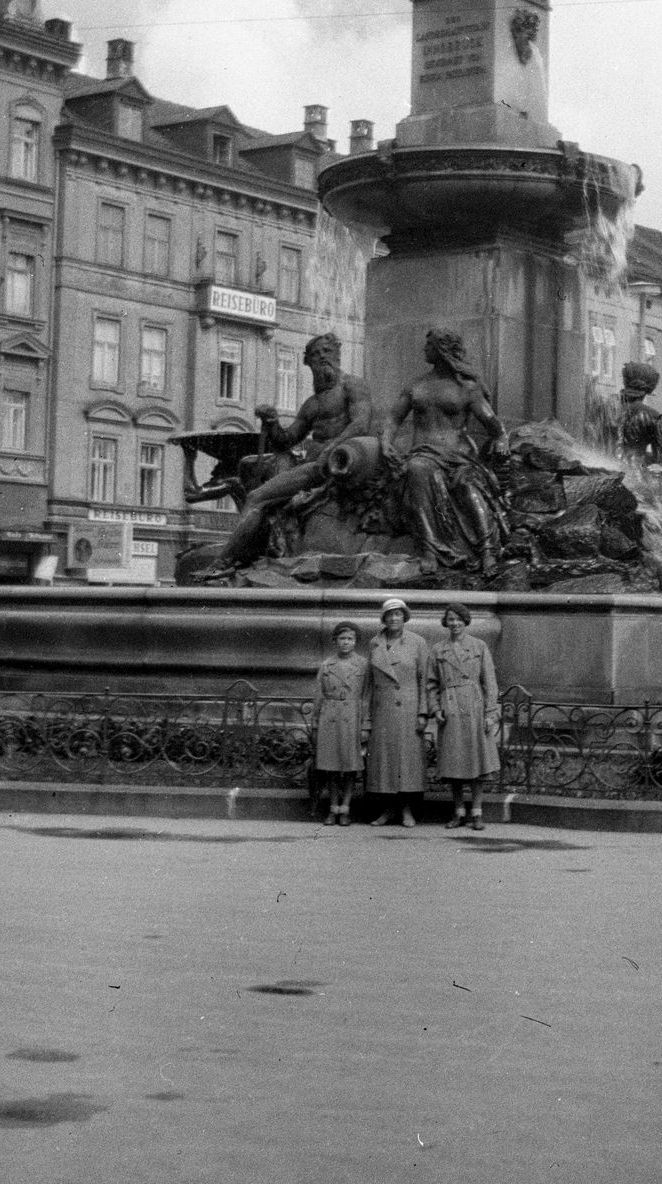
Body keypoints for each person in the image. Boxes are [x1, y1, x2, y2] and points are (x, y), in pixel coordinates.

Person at [192, 332, 372, 569]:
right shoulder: (312, 403)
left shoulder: (352, 385)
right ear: (308, 363)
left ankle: (226, 561)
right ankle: (248, 551)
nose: (322, 358)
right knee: (254, 477)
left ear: (338, 355)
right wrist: (272, 422)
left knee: (257, 498)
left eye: (326, 352)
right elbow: (286, 440)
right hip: (314, 466)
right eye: (315, 354)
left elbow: (361, 423)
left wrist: (330, 449)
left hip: (334, 465)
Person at [381, 328, 510, 578]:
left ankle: (487, 552)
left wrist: (501, 438)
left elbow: (492, 422)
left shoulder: (467, 388)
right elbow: (393, 419)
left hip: (460, 457)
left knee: (468, 489)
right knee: (418, 470)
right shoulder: (416, 386)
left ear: (441, 350)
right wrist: (386, 441)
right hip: (424, 454)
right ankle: (428, 549)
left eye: (429, 346)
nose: (424, 350)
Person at [429, 602, 500, 831]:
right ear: (445, 622)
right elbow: (431, 684)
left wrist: (490, 713)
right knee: (454, 762)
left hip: (474, 707)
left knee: (477, 760)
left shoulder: (479, 647)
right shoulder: (438, 650)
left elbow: (489, 682)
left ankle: (477, 812)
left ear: (466, 621)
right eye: (450, 619)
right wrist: (436, 708)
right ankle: (459, 811)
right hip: (450, 708)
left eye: (459, 619)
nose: (455, 623)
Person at [364, 597, 431, 828]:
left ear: (405, 617)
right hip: (383, 710)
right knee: (385, 762)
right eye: (390, 614)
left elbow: (425, 680)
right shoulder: (374, 643)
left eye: (398, 614)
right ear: (384, 618)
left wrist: (423, 712)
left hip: (409, 709)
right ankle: (387, 810)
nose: (394, 618)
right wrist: (367, 718)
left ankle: (406, 810)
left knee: (407, 762)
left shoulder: (417, 642)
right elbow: (369, 684)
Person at [311, 621, 368, 826]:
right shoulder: (327, 665)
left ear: (356, 642)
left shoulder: (363, 665)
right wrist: (316, 722)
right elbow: (319, 694)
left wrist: (365, 726)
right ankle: (333, 809)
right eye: (342, 638)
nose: (346, 642)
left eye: (350, 639)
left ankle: (346, 808)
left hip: (352, 716)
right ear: (335, 641)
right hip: (330, 717)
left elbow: (367, 696)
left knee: (350, 766)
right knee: (332, 766)